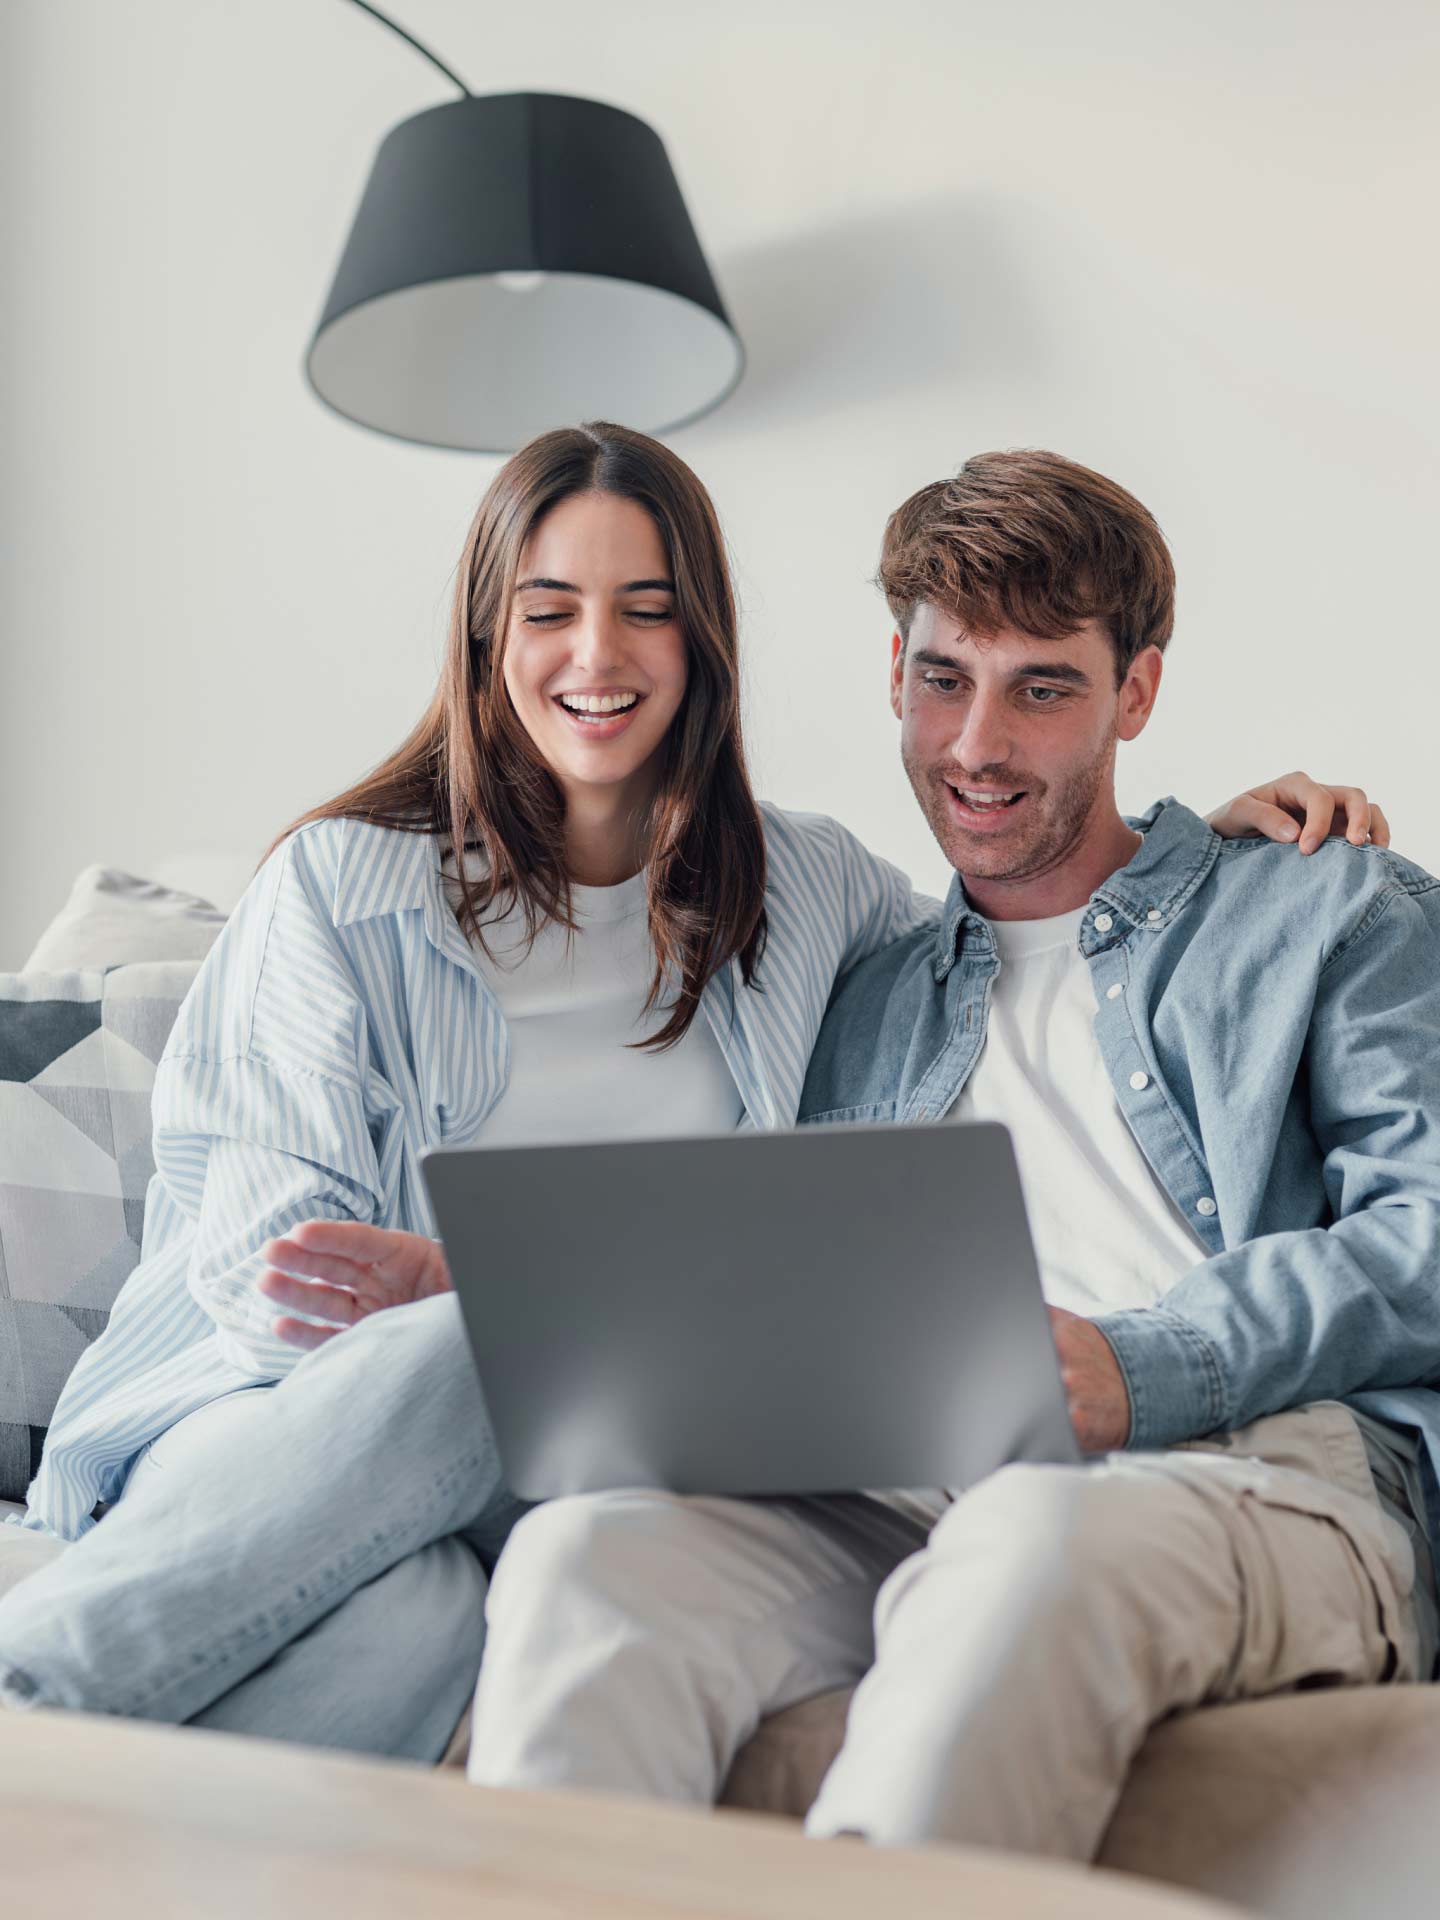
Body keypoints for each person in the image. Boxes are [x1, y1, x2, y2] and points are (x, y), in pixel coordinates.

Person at [0, 425, 1378, 1765]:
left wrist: (1205, 856)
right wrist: (495, 1304)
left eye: (645, 612)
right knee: (476, 1347)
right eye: (550, 611)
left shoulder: (811, 893)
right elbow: (271, 1287)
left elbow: (1019, 920)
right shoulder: (340, 888)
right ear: (492, 639)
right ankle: (35, 1684)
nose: (597, 656)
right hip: (278, 1448)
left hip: (587, 1480)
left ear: (700, 643)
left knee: (418, 1638)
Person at [454, 448, 1440, 1859]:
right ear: (895, 671)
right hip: (908, 1480)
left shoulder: (1325, 910)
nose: (976, 742)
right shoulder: (867, 987)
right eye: (942, 679)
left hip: (1254, 1472)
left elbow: (1426, 1239)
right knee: (584, 1556)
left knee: (1028, 1544)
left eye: (1042, 688)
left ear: (1136, 692)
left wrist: (1139, 1366)